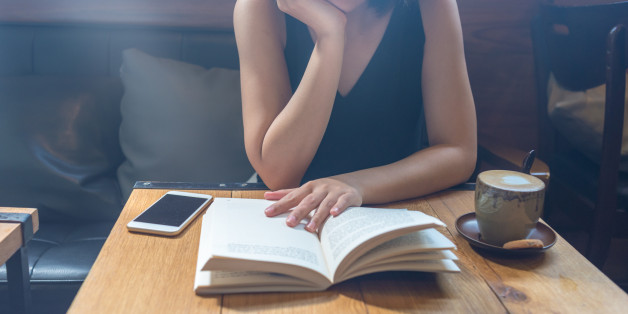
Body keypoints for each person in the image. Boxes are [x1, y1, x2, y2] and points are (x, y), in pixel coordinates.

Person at [233, 0, 477, 232]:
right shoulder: (260, 7)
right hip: (285, 215)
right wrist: (330, 36)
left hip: (391, 209)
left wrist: (355, 185)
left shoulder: (430, 6)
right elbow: (278, 173)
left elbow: (458, 152)